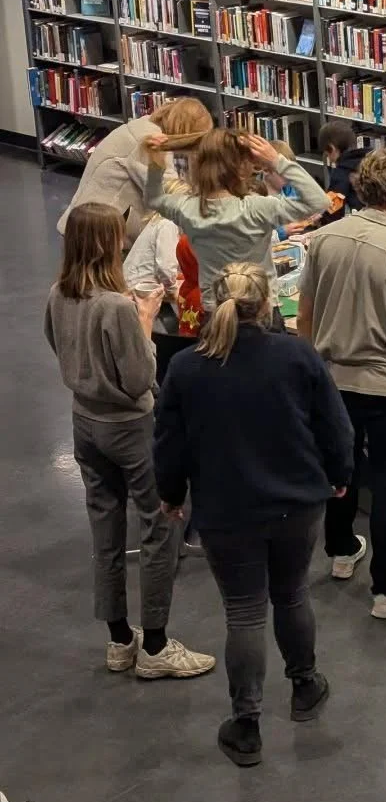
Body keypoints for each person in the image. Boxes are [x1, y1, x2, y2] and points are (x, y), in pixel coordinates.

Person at [154, 264, 353, 767]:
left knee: (243, 611)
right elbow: (335, 425)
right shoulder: (297, 354)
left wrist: (171, 493)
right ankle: (305, 686)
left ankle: (247, 725)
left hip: (227, 508)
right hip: (297, 501)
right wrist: (339, 473)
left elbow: (169, 443)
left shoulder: (187, 366)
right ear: (268, 305)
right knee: (292, 594)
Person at [42, 201, 213, 679]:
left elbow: (57, 344)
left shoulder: (58, 293)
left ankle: (119, 639)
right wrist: (145, 322)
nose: (123, 241)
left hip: (84, 422)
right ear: (103, 243)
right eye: (117, 235)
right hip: (130, 427)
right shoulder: (116, 306)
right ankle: (156, 645)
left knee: (106, 529)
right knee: (160, 524)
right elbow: (140, 378)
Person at [299, 149, 386, 620]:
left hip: (332, 379)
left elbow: (305, 316)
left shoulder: (322, 240)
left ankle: (340, 551)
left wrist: (310, 373)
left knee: (341, 471)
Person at [143, 129, 330, 313]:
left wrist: (156, 164)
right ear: (240, 168)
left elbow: (154, 199)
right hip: (260, 309)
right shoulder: (258, 208)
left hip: (215, 311)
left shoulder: (187, 209)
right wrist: (277, 161)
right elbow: (319, 201)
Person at [58, 97, 212, 246]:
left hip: (87, 223)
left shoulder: (147, 125)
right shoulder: (147, 140)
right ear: (186, 132)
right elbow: (170, 193)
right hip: (97, 234)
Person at [320, 120, 366, 215]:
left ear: (331, 148)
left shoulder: (341, 173)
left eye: (327, 155)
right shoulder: (371, 160)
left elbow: (333, 208)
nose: (330, 160)